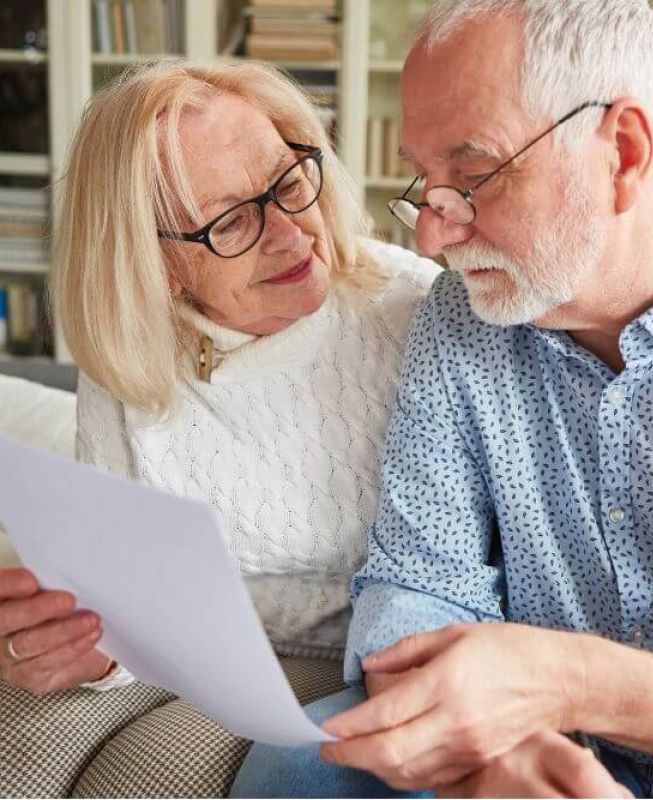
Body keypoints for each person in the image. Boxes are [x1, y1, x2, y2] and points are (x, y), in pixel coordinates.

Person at [232, 1, 653, 798]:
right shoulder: (463, 315)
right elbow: (416, 584)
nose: (432, 237)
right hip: (525, 747)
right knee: (296, 772)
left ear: (624, 152)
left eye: (473, 177)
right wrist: (485, 754)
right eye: (427, 184)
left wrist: (578, 682)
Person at [0, 60, 439, 701]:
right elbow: (127, 607)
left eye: (288, 183)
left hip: (409, 661)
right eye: (230, 222)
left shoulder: (415, 308)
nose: (292, 234)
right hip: (242, 679)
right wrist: (83, 650)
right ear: (155, 261)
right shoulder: (132, 363)